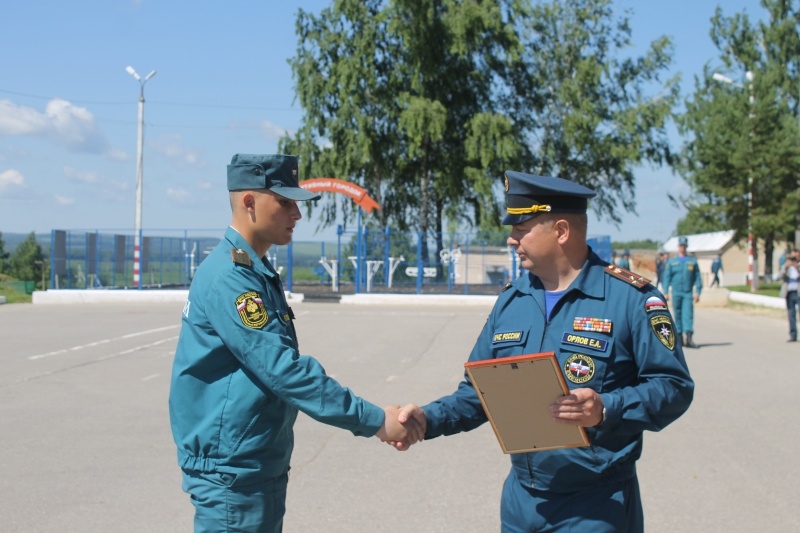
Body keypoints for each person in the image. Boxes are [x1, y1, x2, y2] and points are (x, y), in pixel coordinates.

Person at [392, 171, 694, 532]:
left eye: (522, 229)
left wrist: (606, 408)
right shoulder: (512, 301)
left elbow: (673, 387)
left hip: (595, 506)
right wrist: (429, 419)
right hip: (521, 502)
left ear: (561, 231)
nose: (511, 238)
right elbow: (479, 391)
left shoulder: (631, 299)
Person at [168, 154, 422, 533]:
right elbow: (283, 370)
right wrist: (375, 420)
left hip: (253, 464)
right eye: (285, 202)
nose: (297, 214)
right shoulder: (231, 278)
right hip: (233, 476)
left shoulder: (254, 270)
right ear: (250, 203)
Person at [663, 236, 702, 349]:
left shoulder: (692, 261)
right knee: (677, 314)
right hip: (676, 292)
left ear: (687, 247)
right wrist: (666, 292)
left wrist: (698, 291)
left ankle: (689, 338)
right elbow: (666, 277)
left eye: (684, 246)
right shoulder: (672, 262)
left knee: (688, 314)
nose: (682, 248)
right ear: (678, 247)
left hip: (688, 292)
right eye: (681, 246)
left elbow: (698, 277)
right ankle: (679, 338)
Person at [779, 250, 800, 342]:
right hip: (789, 293)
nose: (793, 260)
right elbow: (780, 276)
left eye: (795, 257)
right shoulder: (787, 266)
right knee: (791, 315)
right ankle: (793, 335)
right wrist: (785, 268)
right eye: (792, 257)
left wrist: (797, 268)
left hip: (798, 293)